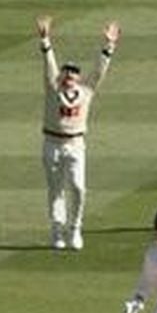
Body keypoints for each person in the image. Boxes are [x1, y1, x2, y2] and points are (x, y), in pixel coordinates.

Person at [36, 15, 120, 251]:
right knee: (56, 189)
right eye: (66, 73)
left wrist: (109, 46)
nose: (69, 76)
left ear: (78, 78)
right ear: (61, 76)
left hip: (75, 144)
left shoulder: (86, 91)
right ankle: (57, 230)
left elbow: (99, 72)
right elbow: (49, 66)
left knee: (78, 187)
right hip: (52, 142)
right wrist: (45, 41)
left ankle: (75, 228)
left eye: (73, 73)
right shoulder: (53, 89)